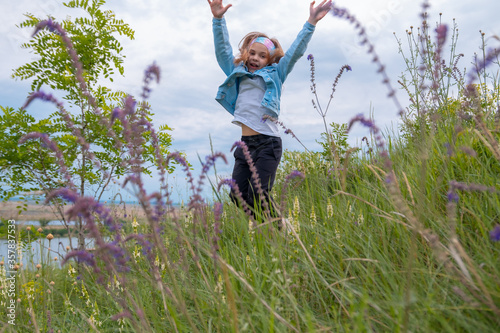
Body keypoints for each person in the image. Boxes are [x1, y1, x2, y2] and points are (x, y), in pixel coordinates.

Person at [208, 0, 332, 221]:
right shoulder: (236, 71)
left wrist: (311, 22)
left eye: (262, 55)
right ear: (246, 53)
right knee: (237, 196)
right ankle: (270, 226)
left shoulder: (277, 74)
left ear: (270, 60)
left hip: (267, 144)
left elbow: (295, 52)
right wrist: (218, 19)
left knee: (259, 194)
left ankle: (281, 227)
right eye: (252, 53)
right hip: (245, 145)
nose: (255, 58)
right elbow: (222, 50)